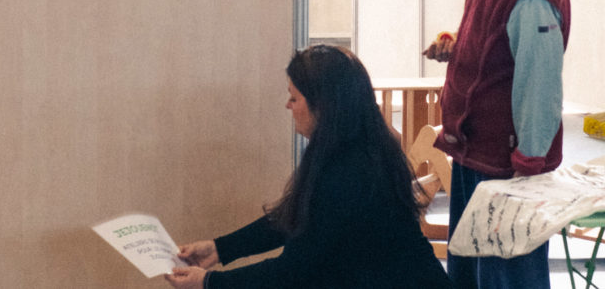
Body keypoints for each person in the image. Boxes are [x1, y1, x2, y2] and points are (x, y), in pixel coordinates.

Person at [165, 45, 452, 289]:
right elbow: (294, 218)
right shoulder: (355, 149)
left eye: (294, 97)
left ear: (324, 106)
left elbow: (294, 272)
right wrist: (218, 248)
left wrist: (209, 282)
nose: (288, 106)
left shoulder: (351, 172)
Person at [423, 0, 571, 289]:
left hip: (507, 167)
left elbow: (539, 89)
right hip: (475, 150)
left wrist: (528, 167)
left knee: (506, 276)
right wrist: (457, 45)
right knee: (470, 270)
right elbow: (496, 42)